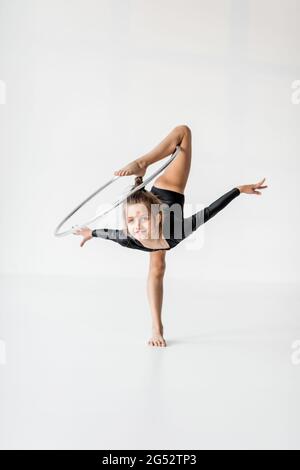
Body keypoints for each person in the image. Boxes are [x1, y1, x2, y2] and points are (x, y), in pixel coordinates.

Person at [73, 125, 268, 347]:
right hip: (158, 208)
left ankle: (142, 163)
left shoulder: (176, 229)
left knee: (184, 132)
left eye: (142, 220)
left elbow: (210, 211)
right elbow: (108, 233)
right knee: (157, 269)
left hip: (167, 192)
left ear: (156, 217)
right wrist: (90, 233)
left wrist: (239, 189)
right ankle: (157, 327)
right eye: (130, 222)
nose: (136, 227)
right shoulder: (129, 236)